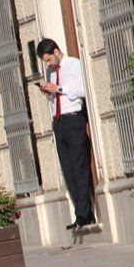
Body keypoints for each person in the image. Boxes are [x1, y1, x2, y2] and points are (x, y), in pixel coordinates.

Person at [36, 38, 96, 230]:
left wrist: (59, 89)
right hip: (59, 121)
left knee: (79, 167)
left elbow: (83, 90)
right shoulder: (52, 72)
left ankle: (86, 215)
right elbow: (56, 95)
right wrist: (49, 92)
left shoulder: (74, 65)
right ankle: (79, 214)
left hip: (73, 119)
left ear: (56, 51)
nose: (48, 64)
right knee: (68, 169)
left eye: (48, 60)